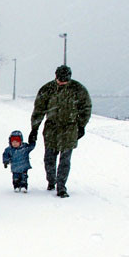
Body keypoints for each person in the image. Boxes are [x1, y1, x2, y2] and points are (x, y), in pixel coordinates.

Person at [28, 65, 91, 198]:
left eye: (65, 80)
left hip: (70, 128)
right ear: (56, 76)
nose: (63, 82)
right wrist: (34, 129)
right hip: (51, 128)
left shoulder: (78, 89)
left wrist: (81, 126)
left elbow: (86, 108)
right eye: (60, 79)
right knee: (49, 158)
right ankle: (51, 181)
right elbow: (39, 110)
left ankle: (61, 186)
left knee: (65, 160)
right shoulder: (47, 89)